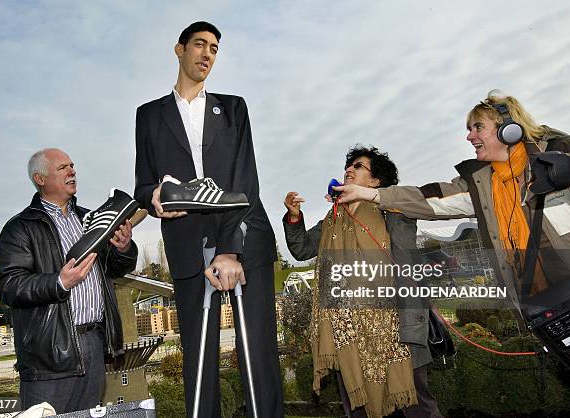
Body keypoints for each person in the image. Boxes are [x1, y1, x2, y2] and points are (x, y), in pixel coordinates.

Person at [133, 22, 283, 417]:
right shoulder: (148, 115)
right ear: (179, 50)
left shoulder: (233, 108)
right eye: (200, 45)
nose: (207, 54)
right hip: (185, 244)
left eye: (215, 49)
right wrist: (153, 200)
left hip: (244, 237)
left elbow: (244, 180)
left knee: (258, 355)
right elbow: (143, 183)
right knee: (198, 361)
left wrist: (231, 249)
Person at [334, 91, 570, 311]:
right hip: (536, 303)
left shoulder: (559, 155)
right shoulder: (480, 184)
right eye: (469, 129)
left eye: (478, 127)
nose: (469, 136)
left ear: (508, 129)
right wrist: (369, 194)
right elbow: (426, 198)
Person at [283, 146, 442, 418]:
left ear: (376, 181)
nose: (349, 169)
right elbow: (302, 249)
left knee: (416, 408)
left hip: (394, 329)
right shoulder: (334, 216)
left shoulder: (392, 211)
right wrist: (295, 217)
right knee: (357, 408)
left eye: (358, 166)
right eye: (348, 166)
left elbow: (407, 262)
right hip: (347, 333)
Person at [0, 148, 137, 413]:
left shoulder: (90, 219)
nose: (72, 171)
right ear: (40, 178)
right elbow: (8, 285)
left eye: (72, 166)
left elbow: (116, 269)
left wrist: (124, 248)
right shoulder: (20, 227)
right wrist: (59, 283)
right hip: (49, 354)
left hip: (94, 344)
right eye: (62, 168)